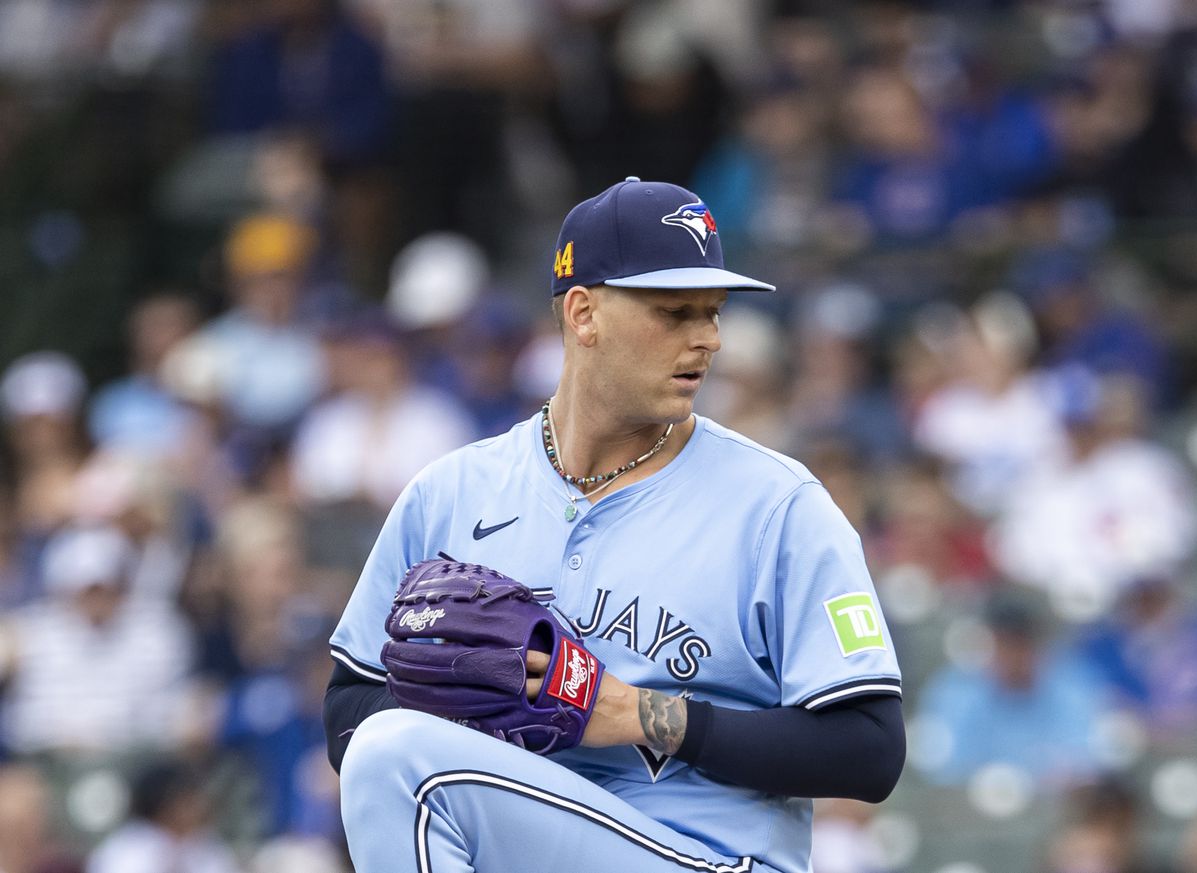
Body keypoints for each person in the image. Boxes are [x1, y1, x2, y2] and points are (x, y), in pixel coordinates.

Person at [323, 177, 905, 873]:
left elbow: (869, 749)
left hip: (712, 858)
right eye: (675, 312)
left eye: (713, 311)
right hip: (538, 839)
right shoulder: (449, 491)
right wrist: (483, 695)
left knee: (399, 758)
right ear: (583, 313)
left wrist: (633, 711)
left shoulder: (778, 505)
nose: (708, 339)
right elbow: (349, 709)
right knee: (386, 750)